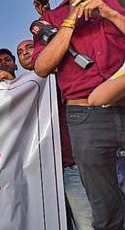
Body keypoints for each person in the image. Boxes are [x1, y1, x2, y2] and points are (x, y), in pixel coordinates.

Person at [32, 0, 125, 230]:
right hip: (86, 117)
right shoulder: (51, 19)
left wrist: (108, 13)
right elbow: (42, 66)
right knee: (103, 208)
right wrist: (70, 19)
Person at [19, 38, 94, 230]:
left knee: (87, 222)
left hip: (70, 166)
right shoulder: (17, 89)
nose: (26, 52)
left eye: (30, 47)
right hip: (38, 173)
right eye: (20, 51)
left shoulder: (62, 78)